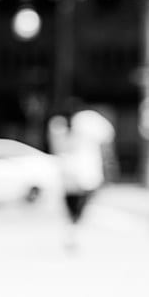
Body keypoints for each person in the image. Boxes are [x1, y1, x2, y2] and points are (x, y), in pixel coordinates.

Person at [47, 101, 117, 249]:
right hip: (84, 170)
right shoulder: (89, 122)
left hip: (68, 168)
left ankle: (71, 229)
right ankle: (73, 229)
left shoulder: (58, 125)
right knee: (81, 202)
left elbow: (56, 147)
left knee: (73, 203)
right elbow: (106, 145)